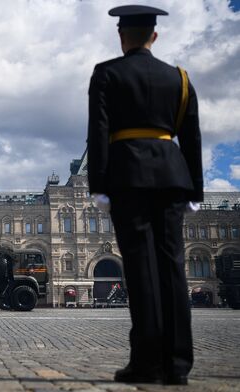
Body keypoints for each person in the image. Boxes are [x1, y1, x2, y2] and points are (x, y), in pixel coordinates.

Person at [87, 5, 203, 386]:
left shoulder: (108, 73)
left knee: (139, 270)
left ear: (122, 36)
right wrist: (195, 189)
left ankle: (146, 362)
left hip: (129, 178)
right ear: (155, 36)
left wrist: (99, 186)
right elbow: (192, 137)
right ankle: (178, 365)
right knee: (173, 267)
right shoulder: (180, 79)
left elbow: (98, 133)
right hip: (172, 178)